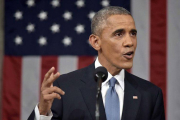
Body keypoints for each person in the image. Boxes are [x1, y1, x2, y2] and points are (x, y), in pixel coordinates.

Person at [28, 6, 165, 120]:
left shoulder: (150, 95)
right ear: (96, 42)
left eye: (133, 33)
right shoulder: (64, 88)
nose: (129, 42)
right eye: (119, 34)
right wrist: (43, 112)